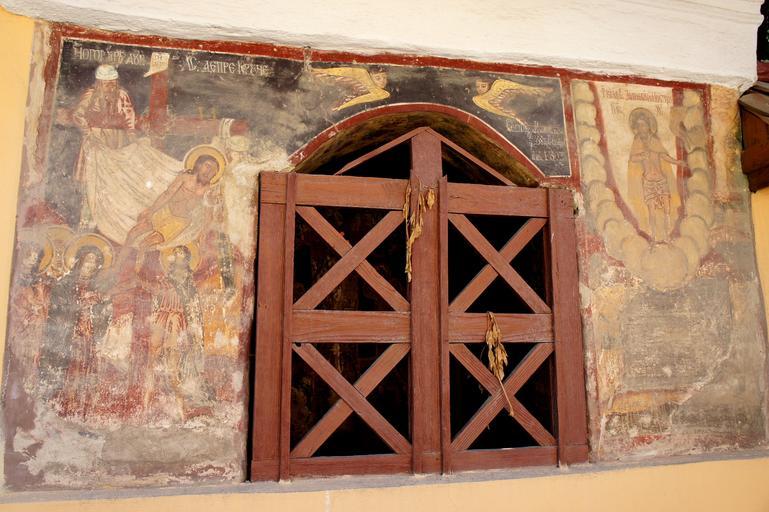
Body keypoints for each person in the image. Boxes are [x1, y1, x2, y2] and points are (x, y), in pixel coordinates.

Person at [124, 154, 221, 250]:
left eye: (213, 170)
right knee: (133, 233)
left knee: (145, 244)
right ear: (199, 165)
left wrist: (203, 234)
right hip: (164, 212)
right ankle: (120, 258)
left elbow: (208, 215)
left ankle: (138, 261)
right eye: (207, 166)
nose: (209, 171)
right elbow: (167, 194)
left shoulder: (209, 191)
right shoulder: (185, 177)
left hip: (178, 222)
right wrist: (151, 211)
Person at [627, 108, 686, 242]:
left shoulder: (655, 141)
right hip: (648, 182)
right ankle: (653, 237)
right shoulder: (637, 142)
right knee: (652, 211)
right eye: (638, 125)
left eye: (643, 125)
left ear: (649, 126)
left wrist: (678, 162)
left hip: (661, 181)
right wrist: (642, 155)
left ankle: (667, 236)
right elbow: (632, 158)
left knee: (666, 209)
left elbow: (664, 156)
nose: (641, 128)